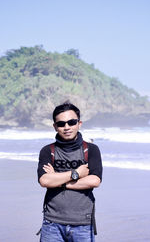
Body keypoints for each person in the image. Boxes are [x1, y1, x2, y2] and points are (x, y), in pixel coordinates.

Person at [37, 102, 103, 242]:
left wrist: (57, 180)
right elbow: (44, 181)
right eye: (61, 124)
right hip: (52, 223)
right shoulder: (48, 151)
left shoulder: (91, 150)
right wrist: (76, 173)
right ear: (55, 126)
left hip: (83, 224)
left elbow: (95, 181)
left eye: (71, 122)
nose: (66, 127)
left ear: (79, 123)